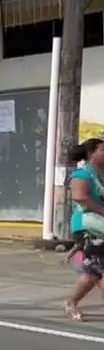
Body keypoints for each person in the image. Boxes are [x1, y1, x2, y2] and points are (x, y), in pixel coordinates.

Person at [65, 137, 104, 321]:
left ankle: (71, 302)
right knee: (96, 272)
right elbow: (80, 198)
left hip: (100, 227)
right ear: (91, 154)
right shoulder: (82, 174)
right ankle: (71, 303)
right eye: (102, 150)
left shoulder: (100, 175)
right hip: (87, 227)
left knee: (92, 274)